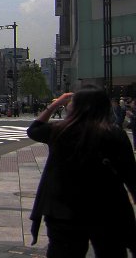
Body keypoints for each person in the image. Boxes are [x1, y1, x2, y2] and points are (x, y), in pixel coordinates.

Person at [28, 86, 136, 257]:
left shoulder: (59, 131)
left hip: (63, 210)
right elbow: (130, 174)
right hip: (106, 209)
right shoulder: (114, 133)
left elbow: (34, 129)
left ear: (77, 107)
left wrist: (55, 104)